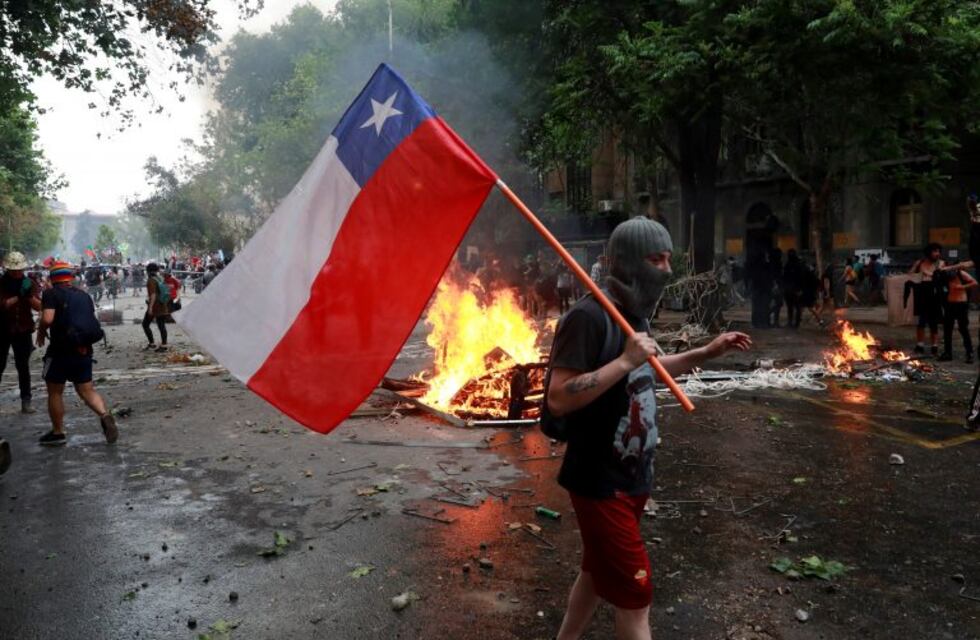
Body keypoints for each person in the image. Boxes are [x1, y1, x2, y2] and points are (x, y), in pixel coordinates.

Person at [546, 217, 752, 640]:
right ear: (628, 262)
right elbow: (559, 397)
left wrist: (705, 353)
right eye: (656, 259)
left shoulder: (633, 315)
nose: (667, 270)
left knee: (596, 572)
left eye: (668, 259)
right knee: (636, 600)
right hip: (600, 482)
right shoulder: (587, 317)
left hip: (633, 478)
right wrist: (624, 360)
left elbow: (648, 369)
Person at [35, 262, 117, 447]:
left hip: (60, 351)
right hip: (84, 349)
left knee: (55, 391)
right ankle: (105, 415)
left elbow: (47, 318)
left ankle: (58, 432)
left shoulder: (51, 293)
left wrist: (41, 331)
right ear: (70, 277)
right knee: (87, 390)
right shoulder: (83, 295)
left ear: (52, 278)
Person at [1, 251, 42, 413]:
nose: (17, 273)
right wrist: (18, 296)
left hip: (23, 329)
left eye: (19, 270)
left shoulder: (29, 283)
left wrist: (29, 296)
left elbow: (39, 307)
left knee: (23, 366)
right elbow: (3, 305)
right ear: (8, 269)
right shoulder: (1, 283)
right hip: (3, 329)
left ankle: (26, 400)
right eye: (14, 270)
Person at [909, 243, 945, 356]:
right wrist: (916, 269)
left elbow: (941, 276)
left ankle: (934, 346)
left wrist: (927, 273)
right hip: (921, 293)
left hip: (934, 294)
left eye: (938, 251)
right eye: (935, 251)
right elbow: (910, 275)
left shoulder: (941, 263)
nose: (937, 254)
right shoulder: (920, 263)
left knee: (934, 322)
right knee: (921, 321)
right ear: (929, 253)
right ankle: (920, 345)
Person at [939, 261, 976, 363]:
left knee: (963, 329)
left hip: (961, 304)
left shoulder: (961, 273)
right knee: (947, 329)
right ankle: (947, 353)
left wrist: (961, 287)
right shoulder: (944, 275)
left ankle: (969, 353)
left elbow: (974, 283)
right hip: (950, 304)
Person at [142, 262, 170, 352]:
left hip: (155, 306)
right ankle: (164, 345)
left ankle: (152, 343)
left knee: (145, 324)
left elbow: (153, 295)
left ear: (148, 271)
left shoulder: (151, 280)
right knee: (161, 325)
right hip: (163, 304)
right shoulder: (160, 278)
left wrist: (150, 307)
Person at [782, 249, 804, 329]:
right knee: (793, 307)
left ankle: (794, 323)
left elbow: (801, 278)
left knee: (795, 307)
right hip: (790, 289)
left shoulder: (796, 265)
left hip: (794, 289)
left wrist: (800, 289)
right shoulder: (790, 265)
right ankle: (792, 323)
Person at [768, 247, 784, 327]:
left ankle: (772, 320)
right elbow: (775, 275)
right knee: (778, 304)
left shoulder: (772, 263)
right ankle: (773, 320)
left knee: (777, 304)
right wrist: (775, 284)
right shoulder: (776, 264)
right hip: (775, 286)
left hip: (774, 285)